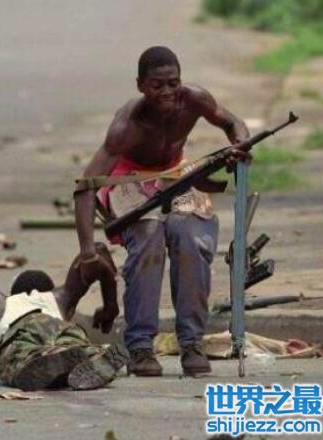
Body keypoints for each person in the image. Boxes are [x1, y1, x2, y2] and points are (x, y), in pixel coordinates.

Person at [74, 46, 250, 377]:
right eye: (157, 85)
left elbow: (232, 122)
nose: (167, 92)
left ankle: (192, 342)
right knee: (149, 236)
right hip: (130, 178)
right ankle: (140, 346)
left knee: (191, 237)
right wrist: (87, 251)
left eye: (173, 83)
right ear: (140, 85)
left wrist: (239, 145)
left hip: (176, 172)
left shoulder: (194, 99)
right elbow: (85, 186)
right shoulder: (127, 125)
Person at [0, 239, 128, 391]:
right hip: (58, 327)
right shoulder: (60, 297)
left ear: (14, 293)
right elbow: (98, 251)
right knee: (73, 342)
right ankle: (92, 355)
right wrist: (110, 305)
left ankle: (38, 361)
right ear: (49, 289)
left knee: (20, 357)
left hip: (19, 333)